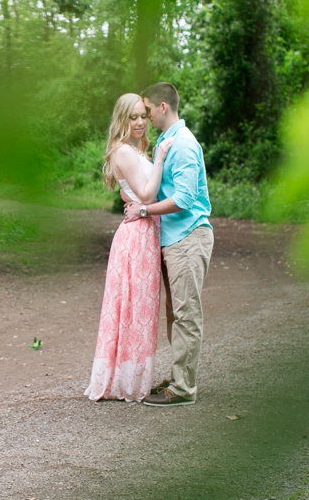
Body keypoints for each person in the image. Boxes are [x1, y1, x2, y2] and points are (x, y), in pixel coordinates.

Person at [124, 82, 213, 407]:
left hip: (189, 236)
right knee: (175, 312)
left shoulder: (184, 145)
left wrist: (144, 209)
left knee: (186, 312)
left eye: (147, 110)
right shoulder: (166, 141)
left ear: (163, 107)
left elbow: (185, 199)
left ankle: (183, 389)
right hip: (172, 239)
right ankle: (178, 378)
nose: (144, 116)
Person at [84, 93, 174, 402]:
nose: (138, 122)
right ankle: (125, 381)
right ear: (122, 119)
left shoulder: (137, 150)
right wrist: (160, 158)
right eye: (132, 117)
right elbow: (147, 196)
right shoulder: (123, 152)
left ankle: (133, 379)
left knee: (143, 308)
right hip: (136, 238)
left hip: (146, 233)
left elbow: (139, 196)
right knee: (133, 308)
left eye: (141, 116)